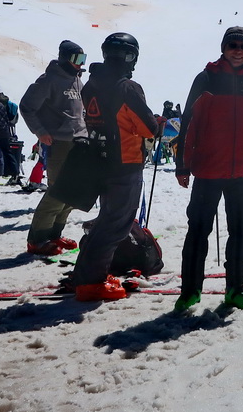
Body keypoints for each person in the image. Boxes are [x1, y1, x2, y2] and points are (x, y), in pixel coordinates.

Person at [173, 26, 243, 312]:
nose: (237, 50)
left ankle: (236, 288)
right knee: (197, 230)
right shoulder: (207, 79)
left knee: (240, 231)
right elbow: (189, 123)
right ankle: (190, 289)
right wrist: (182, 165)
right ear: (223, 47)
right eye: (232, 45)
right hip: (208, 169)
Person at [70, 32, 159, 302]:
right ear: (130, 57)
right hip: (125, 162)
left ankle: (86, 274)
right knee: (116, 225)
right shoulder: (126, 87)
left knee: (106, 220)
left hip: (100, 160)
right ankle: (91, 282)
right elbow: (148, 128)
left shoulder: (91, 84)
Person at [19, 40, 87, 256]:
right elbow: (27, 106)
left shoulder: (78, 81)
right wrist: (40, 131)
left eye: (83, 59)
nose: (80, 64)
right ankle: (37, 240)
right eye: (77, 59)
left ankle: (54, 234)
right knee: (58, 190)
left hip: (79, 141)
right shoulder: (49, 80)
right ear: (65, 58)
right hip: (59, 142)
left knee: (73, 190)